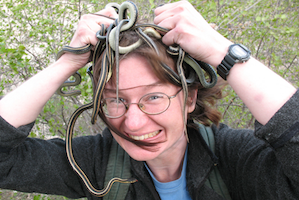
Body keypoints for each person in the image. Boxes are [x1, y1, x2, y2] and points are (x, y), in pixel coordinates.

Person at [0, 1, 298, 200]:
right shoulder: (97, 163)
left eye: (154, 97)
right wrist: (64, 65)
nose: (132, 122)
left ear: (190, 97)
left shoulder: (234, 158)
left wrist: (223, 52)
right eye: (115, 100)